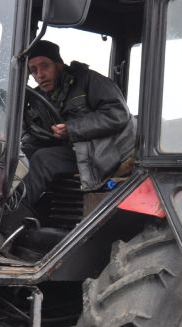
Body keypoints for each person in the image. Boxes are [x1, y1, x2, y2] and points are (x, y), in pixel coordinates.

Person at [18, 40, 135, 223]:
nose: (40, 75)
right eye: (33, 70)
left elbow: (118, 114)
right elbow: (35, 133)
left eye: (45, 66)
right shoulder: (38, 98)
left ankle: (12, 217)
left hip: (99, 153)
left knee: (43, 159)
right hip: (71, 151)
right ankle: (5, 209)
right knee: (20, 155)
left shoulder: (88, 81)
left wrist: (73, 129)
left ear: (59, 65)